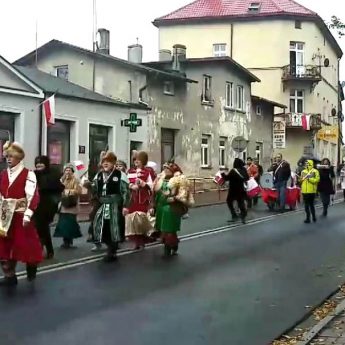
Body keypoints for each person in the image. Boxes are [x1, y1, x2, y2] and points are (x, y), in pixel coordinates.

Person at [0, 142, 43, 286]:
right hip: (5, 216)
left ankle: (32, 266)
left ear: (19, 157)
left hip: (20, 215)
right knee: (4, 247)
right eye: (7, 156)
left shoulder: (28, 174)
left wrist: (28, 214)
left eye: (11, 156)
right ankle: (9, 275)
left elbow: (33, 196)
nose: (8, 159)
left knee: (26, 246)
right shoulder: (3, 174)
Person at [93, 152, 130, 262]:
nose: (105, 164)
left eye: (108, 162)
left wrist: (125, 206)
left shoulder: (120, 175)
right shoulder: (99, 175)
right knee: (100, 227)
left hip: (115, 205)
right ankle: (109, 246)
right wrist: (87, 185)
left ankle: (112, 250)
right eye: (103, 162)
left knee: (114, 228)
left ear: (113, 163)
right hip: (102, 205)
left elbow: (126, 192)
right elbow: (94, 189)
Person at [154, 162, 192, 257]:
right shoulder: (161, 179)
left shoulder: (178, 180)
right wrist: (152, 205)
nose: (165, 170)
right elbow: (155, 192)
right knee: (163, 229)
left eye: (168, 169)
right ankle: (174, 245)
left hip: (171, 208)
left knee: (169, 229)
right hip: (160, 207)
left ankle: (168, 248)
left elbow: (183, 194)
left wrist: (174, 198)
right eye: (164, 168)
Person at [34, 156, 64, 259]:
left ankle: (40, 249)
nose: (39, 167)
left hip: (48, 206)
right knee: (41, 228)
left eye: (41, 165)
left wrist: (46, 188)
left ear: (46, 164)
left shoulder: (53, 174)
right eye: (37, 165)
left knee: (41, 227)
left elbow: (59, 187)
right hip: (36, 205)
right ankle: (47, 249)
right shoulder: (33, 175)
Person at [125, 151, 153, 250]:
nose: (136, 161)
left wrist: (143, 184)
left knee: (140, 221)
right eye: (135, 159)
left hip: (142, 200)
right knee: (132, 222)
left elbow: (151, 185)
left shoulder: (147, 172)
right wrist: (131, 186)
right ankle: (137, 242)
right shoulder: (130, 171)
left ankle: (142, 240)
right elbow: (125, 183)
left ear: (143, 161)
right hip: (132, 200)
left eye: (138, 160)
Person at [54, 165, 82, 248]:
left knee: (70, 223)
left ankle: (69, 241)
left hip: (72, 204)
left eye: (69, 170)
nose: (67, 172)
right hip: (63, 204)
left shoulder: (76, 180)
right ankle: (65, 240)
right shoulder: (62, 180)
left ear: (72, 172)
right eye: (66, 170)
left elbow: (78, 191)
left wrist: (68, 191)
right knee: (63, 224)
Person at [222, 158, 249, 224]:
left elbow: (226, 178)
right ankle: (243, 215)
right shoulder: (244, 170)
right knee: (240, 203)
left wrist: (222, 174)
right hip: (241, 189)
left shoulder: (233, 171)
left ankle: (234, 215)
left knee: (229, 201)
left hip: (233, 190)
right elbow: (247, 178)